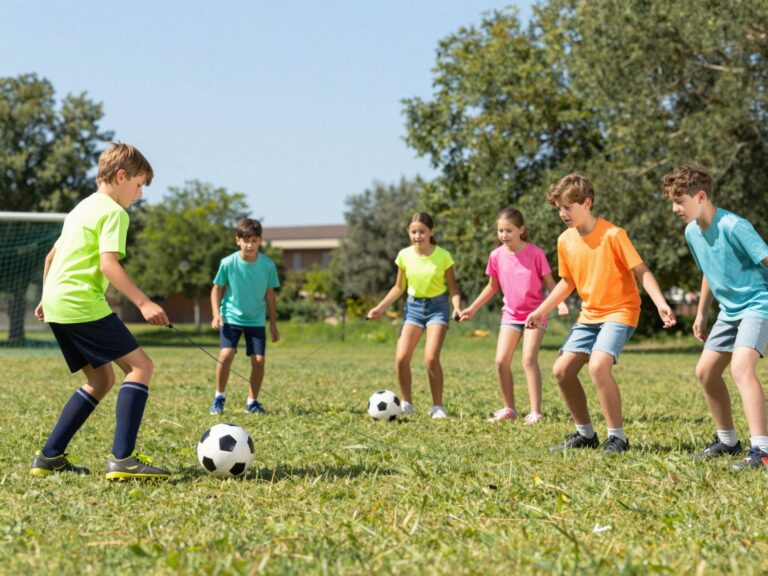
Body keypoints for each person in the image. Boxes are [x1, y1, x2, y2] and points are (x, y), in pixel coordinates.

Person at [31, 142, 172, 480]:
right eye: (139, 185)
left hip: (57, 303)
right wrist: (144, 302)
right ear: (121, 176)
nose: (139, 194)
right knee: (140, 367)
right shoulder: (113, 212)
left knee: (101, 378)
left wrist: (46, 295)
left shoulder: (82, 207)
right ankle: (123, 459)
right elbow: (108, 265)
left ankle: (50, 456)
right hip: (80, 302)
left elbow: (52, 256)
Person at [525, 173, 676, 454]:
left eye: (567, 207)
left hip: (620, 311)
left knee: (597, 366)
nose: (562, 213)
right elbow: (567, 281)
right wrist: (541, 310)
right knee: (561, 371)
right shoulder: (564, 241)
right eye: (558, 208)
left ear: (587, 203)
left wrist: (660, 302)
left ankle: (617, 437)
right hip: (589, 315)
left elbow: (640, 271)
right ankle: (585, 434)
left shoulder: (613, 234)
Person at [662, 164, 768, 470]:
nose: (675, 208)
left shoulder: (735, 226)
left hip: (757, 304)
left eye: (679, 201)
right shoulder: (692, 232)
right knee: (706, 372)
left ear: (701, 196)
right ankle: (728, 441)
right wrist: (701, 312)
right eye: (673, 201)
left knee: (741, 368)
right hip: (728, 311)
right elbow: (709, 271)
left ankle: (761, 450)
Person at [459, 207, 569, 424]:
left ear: (521, 229)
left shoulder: (536, 254)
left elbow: (550, 284)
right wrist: (472, 308)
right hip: (510, 315)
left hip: (535, 314)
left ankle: (535, 412)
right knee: (501, 361)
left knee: (528, 359)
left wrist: (561, 303)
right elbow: (491, 287)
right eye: (500, 231)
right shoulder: (496, 256)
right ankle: (509, 409)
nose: (503, 236)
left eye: (508, 230)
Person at [367, 212, 461, 419]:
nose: (418, 236)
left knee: (430, 358)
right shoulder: (404, 255)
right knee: (401, 358)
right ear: (408, 233)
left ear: (431, 232)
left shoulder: (443, 256)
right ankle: (406, 403)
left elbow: (453, 289)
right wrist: (380, 308)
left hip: (438, 309)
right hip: (413, 309)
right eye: (414, 232)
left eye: (422, 231)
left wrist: (456, 308)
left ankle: (437, 406)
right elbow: (398, 287)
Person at [209, 218, 280, 415]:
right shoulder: (228, 263)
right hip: (231, 317)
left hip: (256, 320)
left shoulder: (268, 265)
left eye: (254, 240)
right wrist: (216, 315)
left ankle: (252, 402)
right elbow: (216, 289)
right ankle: (219, 397)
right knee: (226, 354)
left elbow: (271, 296)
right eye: (246, 240)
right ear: (237, 240)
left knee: (258, 360)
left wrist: (273, 324)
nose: (250, 245)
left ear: (260, 241)